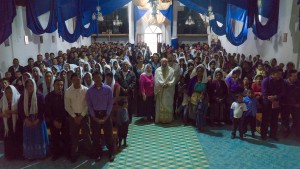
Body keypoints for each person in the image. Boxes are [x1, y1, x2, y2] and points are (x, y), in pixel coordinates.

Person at [85, 71, 115, 162]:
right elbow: (89, 105)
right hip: (95, 116)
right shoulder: (89, 91)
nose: (97, 79)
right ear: (93, 79)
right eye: (95, 78)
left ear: (102, 78)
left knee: (109, 135)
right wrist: (94, 117)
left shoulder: (108, 89)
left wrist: (106, 116)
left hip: (106, 114)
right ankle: (98, 153)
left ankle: (111, 153)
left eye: (99, 77)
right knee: (95, 136)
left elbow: (110, 103)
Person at [18, 78, 49, 160]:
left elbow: (43, 110)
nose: (29, 87)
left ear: (34, 85)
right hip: (27, 122)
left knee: (38, 138)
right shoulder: (22, 96)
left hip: (38, 121)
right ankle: (30, 155)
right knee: (30, 139)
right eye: (27, 86)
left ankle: (41, 154)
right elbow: (20, 109)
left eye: (31, 85)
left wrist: (37, 120)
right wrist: (25, 120)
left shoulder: (40, 96)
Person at [64, 73, 92, 163]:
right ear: (72, 80)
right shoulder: (68, 91)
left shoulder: (86, 90)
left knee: (86, 135)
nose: (77, 81)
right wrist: (75, 117)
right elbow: (67, 106)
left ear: (81, 79)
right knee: (74, 136)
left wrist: (81, 116)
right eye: (75, 79)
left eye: (78, 79)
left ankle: (89, 152)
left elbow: (88, 104)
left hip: (84, 116)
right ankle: (74, 154)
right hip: (73, 117)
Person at [45, 78, 70, 161]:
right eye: (57, 85)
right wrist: (54, 121)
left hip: (64, 121)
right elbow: (48, 111)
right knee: (54, 138)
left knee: (66, 137)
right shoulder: (48, 96)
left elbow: (67, 110)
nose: (59, 87)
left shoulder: (66, 95)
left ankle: (67, 153)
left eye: (61, 85)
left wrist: (61, 122)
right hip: (53, 121)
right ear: (53, 85)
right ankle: (57, 153)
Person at [261, 67, 285, 141]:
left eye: (280, 74)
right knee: (265, 119)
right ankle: (263, 134)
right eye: (278, 74)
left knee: (275, 119)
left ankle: (273, 134)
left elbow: (283, 92)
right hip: (267, 103)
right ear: (272, 74)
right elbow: (264, 93)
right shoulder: (265, 81)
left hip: (277, 103)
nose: (280, 76)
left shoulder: (281, 81)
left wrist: (276, 97)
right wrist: (270, 98)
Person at [0, 85, 22, 160]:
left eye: (10, 93)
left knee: (17, 137)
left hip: (17, 122)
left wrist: (10, 112)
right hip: (7, 123)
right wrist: (3, 114)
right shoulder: (3, 100)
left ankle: (18, 154)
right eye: (6, 93)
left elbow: (21, 110)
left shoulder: (18, 98)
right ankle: (10, 155)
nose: (8, 94)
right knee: (8, 139)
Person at [154, 58, 176, 123]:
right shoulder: (157, 70)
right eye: (163, 62)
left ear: (167, 62)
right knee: (160, 105)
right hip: (160, 90)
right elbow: (156, 80)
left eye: (165, 62)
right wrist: (162, 84)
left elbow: (173, 79)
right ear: (160, 62)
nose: (164, 63)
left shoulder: (172, 70)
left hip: (168, 90)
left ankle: (168, 119)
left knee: (168, 104)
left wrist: (168, 84)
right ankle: (160, 119)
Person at [282, 69, 300, 137]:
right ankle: (286, 132)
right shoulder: (284, 82)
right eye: (294, 76)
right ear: (289, 76)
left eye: (296, 76)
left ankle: (297, 133)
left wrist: (299, 103)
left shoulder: (298, 83)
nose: (296, 77)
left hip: (296, 105)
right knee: (285, 119)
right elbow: (281, 94)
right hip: (285, 105)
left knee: (297, 119)